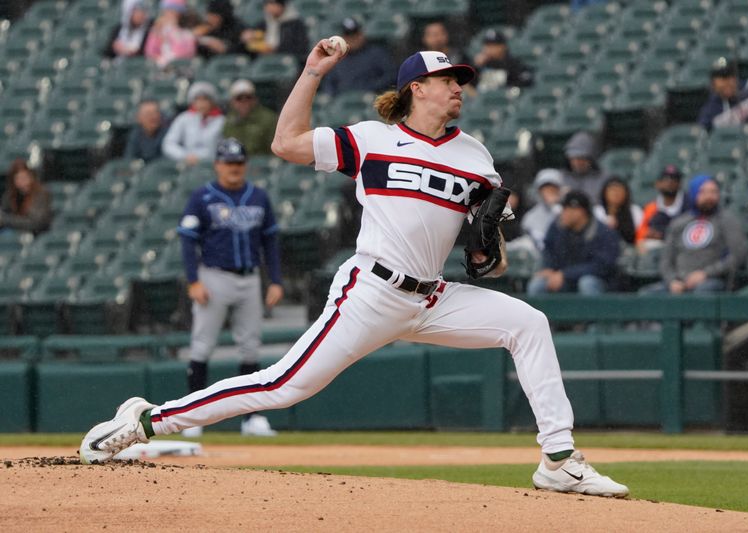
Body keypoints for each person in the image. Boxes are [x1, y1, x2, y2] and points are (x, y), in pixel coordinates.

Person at [79, 44, 628, 499]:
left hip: (432, 297)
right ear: (418, 88)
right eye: (448, 79)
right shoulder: (370, 139)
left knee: (528, 323)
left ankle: (559, 460)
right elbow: (284, 143)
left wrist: (489, 252)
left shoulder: (475, 156)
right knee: (282, 387)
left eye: (460, 80)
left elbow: (492, 255)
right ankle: (146, 421)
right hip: (371, 291)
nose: (459, 87)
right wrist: (313, 73)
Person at [172, 137, 283, 437]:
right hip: (214, 277)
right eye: (228, 162)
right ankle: (192, 418)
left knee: (250, 349)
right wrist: (193, 280)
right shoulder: (203, 196)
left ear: (245, 164)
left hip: (249, 278)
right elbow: (187, 240)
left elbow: (270, 241)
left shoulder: (257, 196)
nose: (234, 168)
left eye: (238, 162)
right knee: (202, 346)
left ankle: (252, 418)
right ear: (217, 165)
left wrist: (275, 279)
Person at [643, 175, 748, 294]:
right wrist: (672, 281)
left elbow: (739, 255)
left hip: (712, 279)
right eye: (703, 192)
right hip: (679, 282)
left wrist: (706, 273)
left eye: (713, 192)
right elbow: (666, 260)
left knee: (703, 291)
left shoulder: (726, 220)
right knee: (647, 294)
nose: (709, 197)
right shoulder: (679, 223)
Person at [527, 190, 619, 295]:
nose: (563, 213)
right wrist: (548, 269)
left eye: (568, 209)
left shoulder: (603, 232)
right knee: (538, 285)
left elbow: (602, 266)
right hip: (562, 279)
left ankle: (595, 312)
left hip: (599, 281)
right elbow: (548, 249)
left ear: (581, 212)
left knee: (587, 283)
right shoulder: (556, 227)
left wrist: (565, 274)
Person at [320, 17, 395, 97]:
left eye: (355, 34)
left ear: (361, 34)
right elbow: (329, 84)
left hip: (371, 100)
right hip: (344, 102)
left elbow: (391, 76)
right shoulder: (336, 57)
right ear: (343, 38)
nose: (353, 39)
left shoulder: (377, 53)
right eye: (349, 36)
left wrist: (372, 88)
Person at [162, 81, 225, 165]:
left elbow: (225, 148)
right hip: (187, 163)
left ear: (212, 101)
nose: (202, 103)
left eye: (205, 99)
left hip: (212, 164)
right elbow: (168, 144)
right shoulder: (183, 118)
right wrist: (184, 155)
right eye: (198, 99)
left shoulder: (222, 121)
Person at [635, 164, 690, 251]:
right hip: (658, 247)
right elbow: (641, 234)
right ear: (657, 184)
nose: (670, 182)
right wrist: (649, 233)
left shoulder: (689, 204)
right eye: (665, 179)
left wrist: (663, 234)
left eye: (674, 179)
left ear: (680, 184)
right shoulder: (651, 207)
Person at [698, 57, 748, 131]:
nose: (726, 82)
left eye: (729, 76)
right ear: (713, 84)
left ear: (736, 78)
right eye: (721, 78)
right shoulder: (710, 110)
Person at [512, 168, 563, 258]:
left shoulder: (567, 212)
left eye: (553, 188)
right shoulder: (530, 216)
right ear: (539, 191)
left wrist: (555, 207)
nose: (549, 191)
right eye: (545, 188)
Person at [222, 79, 278, 157]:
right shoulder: (229, 120)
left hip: (262, 164)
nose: (244, 101)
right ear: (232, 102)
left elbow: (275, 148)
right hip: (237, 162)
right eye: (239, 98)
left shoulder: (268, 119)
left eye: (248, 97)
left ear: (255, 99)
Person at [241, 0, 309, 61]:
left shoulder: (296, 23)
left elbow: (301, 49)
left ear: (281, 5)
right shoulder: (263, 23)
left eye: (272, 3)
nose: (269, 7)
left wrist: (274, 50)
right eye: (267, 3)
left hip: (286, 61)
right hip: (264, 60)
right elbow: (249, 41)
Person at [0, 159, 53, 235]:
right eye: (18, 178)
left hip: (37, 236)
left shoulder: (41, 194)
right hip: (14, 235)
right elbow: (3, 212)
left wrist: (5, 220)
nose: (23, 182)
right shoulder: (10, 195)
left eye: (25, 177)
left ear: (31, 177)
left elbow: (36, 223)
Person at [144, 0, 197, 69]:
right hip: (160, 70)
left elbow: (185, 54)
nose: (170, 14)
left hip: (180, 69)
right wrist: (157, 33)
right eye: (168, 11)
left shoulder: (188, 34)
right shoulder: (157, 30)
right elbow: (150, 52)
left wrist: (173, 31)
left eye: (174, 11)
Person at [592, 176, 643, 246]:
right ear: (604, 193)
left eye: (619, 190)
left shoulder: (635, 211)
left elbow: (640, 235)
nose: (616, 194)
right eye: (612, 190)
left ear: (626, 193)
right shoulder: (597, 211)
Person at [561, 131, 609, 204]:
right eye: (573, 158)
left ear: (591, 158)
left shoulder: (604, 179)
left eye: (581, 158)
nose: (577, 162)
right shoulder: (559, 178)